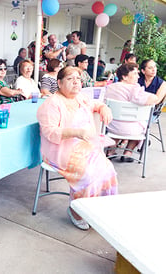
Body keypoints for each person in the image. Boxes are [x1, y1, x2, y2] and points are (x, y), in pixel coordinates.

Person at [37, 66, 118, 230]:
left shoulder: (81, 98)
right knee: (88, 173)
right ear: (59, 83)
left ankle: (97, 209)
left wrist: (104, 108)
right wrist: (77, 132)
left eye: (78, 79)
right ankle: (77, 211)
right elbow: (49, 132)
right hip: (59, 150)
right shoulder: (51, 103)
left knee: (107, 169)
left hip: (84, 146)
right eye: (70, 79)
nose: (76, 82)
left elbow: (96, 104)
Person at [105, 63, 163, 162]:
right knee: (141, 125)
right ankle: (128, 152)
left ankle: (110, 151)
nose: (138, 76)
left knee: (122, 124)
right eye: (135, 73)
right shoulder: (134, 89)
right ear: (124, 77)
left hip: (111, 127)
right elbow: (154, 99)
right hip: (131, 130)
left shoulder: (110, 87)